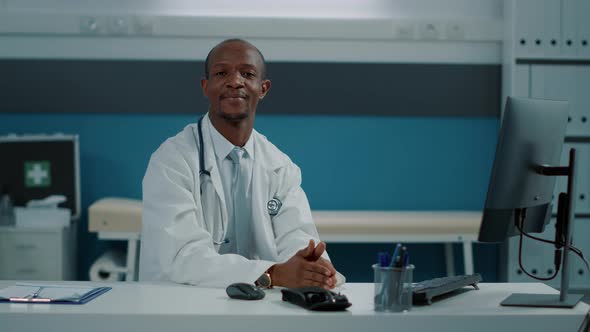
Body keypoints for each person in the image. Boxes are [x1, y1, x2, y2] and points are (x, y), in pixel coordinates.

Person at [139, 38, 344, 289]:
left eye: (247, 73)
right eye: (221, 73)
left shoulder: (280, 167)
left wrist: (311, 266)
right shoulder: (172, 160)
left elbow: (295, 235)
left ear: (264, 88)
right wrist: (273, 274)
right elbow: (183, 255)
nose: (235, 81)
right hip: (185, 305)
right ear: (206, 86)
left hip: (258, 306)